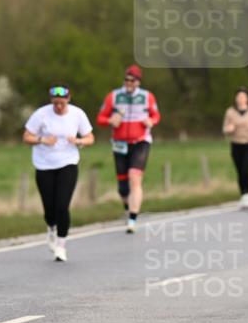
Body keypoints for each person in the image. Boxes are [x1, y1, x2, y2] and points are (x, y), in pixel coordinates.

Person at [24, 85, 95, 261]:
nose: (59, 107)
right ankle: (51, 228)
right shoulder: (41, 114)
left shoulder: (77, 114)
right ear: (51, 101)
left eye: (62, 103)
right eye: (55, 103)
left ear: (68, 100)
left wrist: (79, 141)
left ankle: (61, 245)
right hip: (44, 165)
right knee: (50, 209)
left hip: (68, 163)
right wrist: (42, 140)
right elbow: (27, 137)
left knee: (62, 206)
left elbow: (90, 138)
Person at [97, 65, 160, 233]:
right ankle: (127, 206)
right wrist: (110, 121)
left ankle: (132, 219)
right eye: (126, 80)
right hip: (119, 143)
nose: (128, 83)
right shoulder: (114, 96)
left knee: (135, 177)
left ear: (138, 82)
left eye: (132, 80)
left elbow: (156, 116)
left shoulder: (147, 97)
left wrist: (151, 122)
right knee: (123, 187)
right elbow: (100, 118)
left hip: (141, 141)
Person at [222, 87, 248, 209]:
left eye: (243, 96)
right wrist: (229, 129)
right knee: (239, 171)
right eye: (238, 96)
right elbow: (225, 128)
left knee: (245, 168)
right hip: (236, 144)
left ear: (247, 98)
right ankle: (243, 195)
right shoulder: (230, 112)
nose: (240, 99)